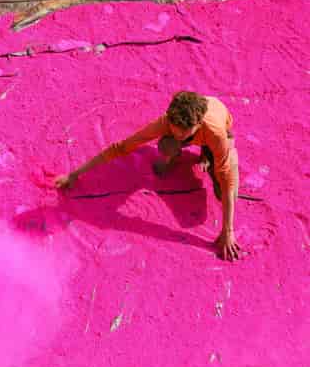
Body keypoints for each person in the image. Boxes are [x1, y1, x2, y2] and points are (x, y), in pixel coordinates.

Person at [55, 91, 241, 261]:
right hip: (201, 134)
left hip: (218, 135)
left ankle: (207, 155)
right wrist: (75, 174)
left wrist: (228, 230)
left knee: (223, 189)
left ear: (198, 124)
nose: (179, 135)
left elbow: (228, 181)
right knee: (167, 144)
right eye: (175, 129)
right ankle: (176, 156)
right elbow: (121, 147)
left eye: (184, 133)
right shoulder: (166, 122)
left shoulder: (215, 132)